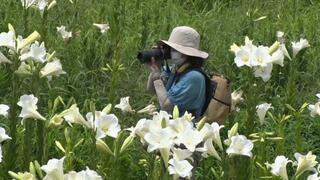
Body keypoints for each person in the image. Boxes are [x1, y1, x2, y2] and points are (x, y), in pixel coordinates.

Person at [147, 26, 209, 121]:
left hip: (185, 130)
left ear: (186, 53)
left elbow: (166, 104)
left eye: (174, 50)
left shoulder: (194, 77)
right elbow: (152, 90)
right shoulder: (176, 70)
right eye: (171, 49)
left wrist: (156, 77)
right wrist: (155, 69)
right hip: (172, 125)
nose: (171, 53)